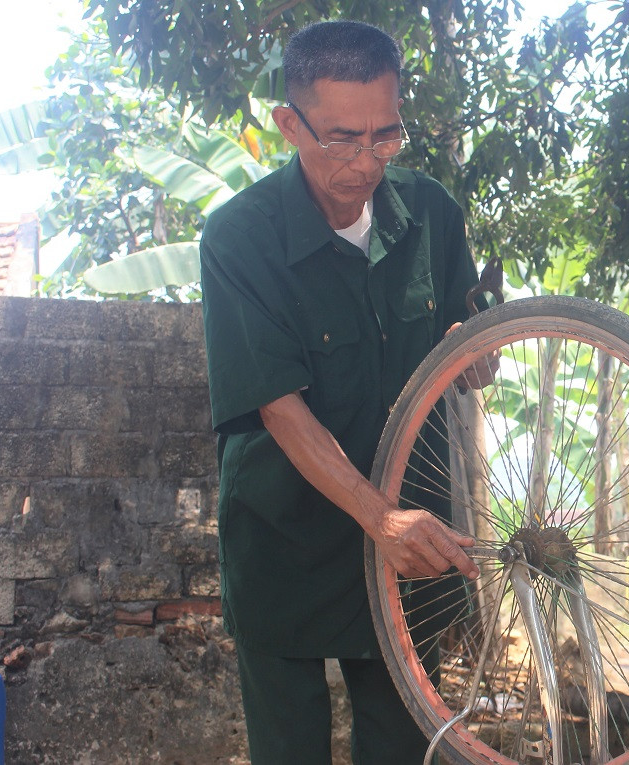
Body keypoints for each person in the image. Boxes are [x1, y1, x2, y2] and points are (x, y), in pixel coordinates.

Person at [199, 19, 483, 764]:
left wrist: (479, 355)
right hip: (285, 536)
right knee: (289, 746)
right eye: (340, 138)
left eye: (385, 137)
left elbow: (466, 339)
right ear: (289, 123)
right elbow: (277, 405)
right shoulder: (238, 239)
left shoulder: (432, 214)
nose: (365, 163)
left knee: (399, 744)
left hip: (407, 541)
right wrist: (380, 518)